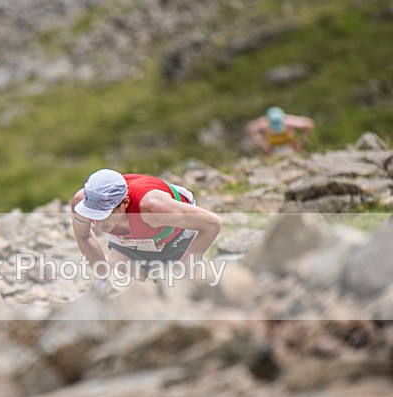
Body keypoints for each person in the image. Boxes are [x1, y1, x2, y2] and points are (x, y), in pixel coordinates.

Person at [70, 169, 222, 283]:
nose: (96, 223)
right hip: (131, 243)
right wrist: (103, 278)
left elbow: (212, 224)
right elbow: (84, 236)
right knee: (119, 285)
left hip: (177, 239)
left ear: (125, 203)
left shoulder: (153, 208)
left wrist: (181, 271)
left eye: (103, 215)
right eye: (92, 215)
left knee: (187, 290)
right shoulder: (81, 204)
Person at [246, 106, 314, 155]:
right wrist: (263, 145)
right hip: (273, 150)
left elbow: (309, 124)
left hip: (290, 147)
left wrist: (301, 142)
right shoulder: (264, 123)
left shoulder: (289, 121)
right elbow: (250, 129)